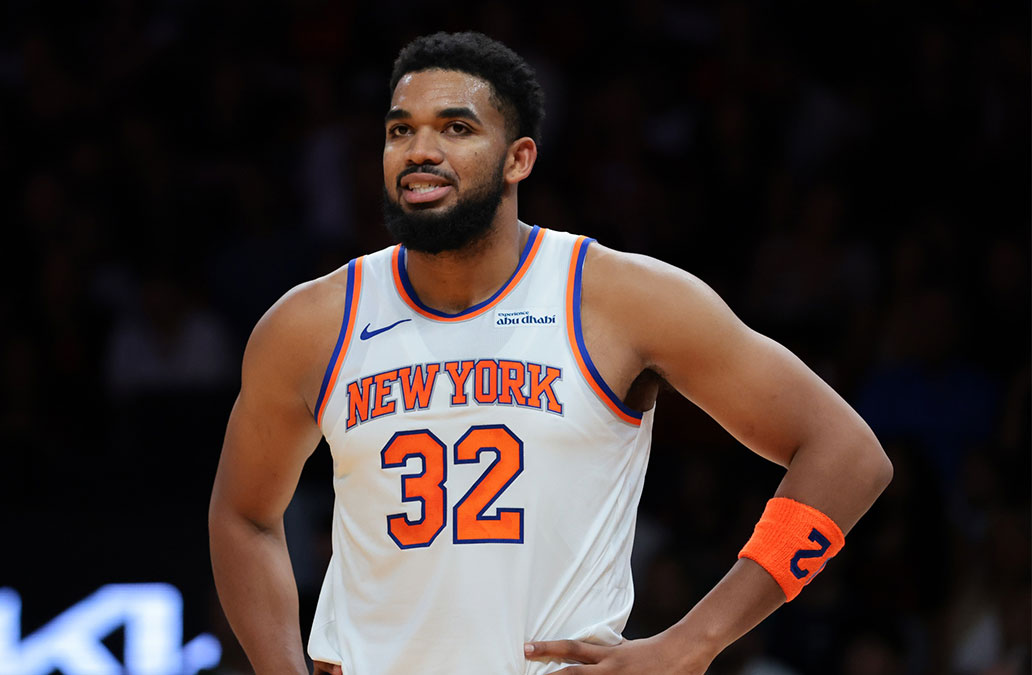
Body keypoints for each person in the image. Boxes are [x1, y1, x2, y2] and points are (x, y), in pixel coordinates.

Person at [208, 31, 892, 675]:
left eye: (456, 127)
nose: (419, 148)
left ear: (519, 158)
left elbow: (847, 455)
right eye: (400, 129)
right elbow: (242, 513)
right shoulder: (312, 323)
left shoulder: (619, 298)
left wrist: (696, 640)